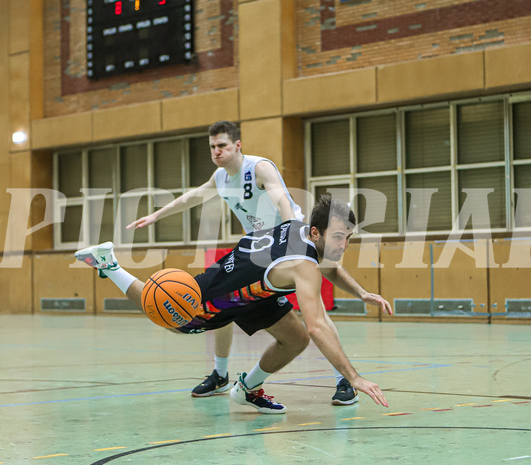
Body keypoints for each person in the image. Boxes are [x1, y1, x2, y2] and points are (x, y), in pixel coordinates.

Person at [125, 121, 392, 405]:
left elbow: (281, 196)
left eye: (222, 146)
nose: (216, 151)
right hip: (257, 252)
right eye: (212, 147)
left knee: (314, 316)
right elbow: (194, 196)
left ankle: (343, 380)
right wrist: (156, 216)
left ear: (237, 145)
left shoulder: (259, 168)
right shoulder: (220, 177)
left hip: (287, 241)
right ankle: (221, 373)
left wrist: (291, 229)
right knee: (219, 300)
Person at [76, 195, 390, 413]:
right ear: (315, 232)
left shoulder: (300, 228)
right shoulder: (302, 265)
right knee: (171, 316)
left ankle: (247, 390)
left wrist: (361, 292)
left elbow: (331, 264)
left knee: (295, 339)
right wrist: (354, 377)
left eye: (348, 236)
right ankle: (110, 264)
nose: (343, 245)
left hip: (256, 288)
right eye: (338, 237)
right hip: (225, 291)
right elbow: (319, 325)